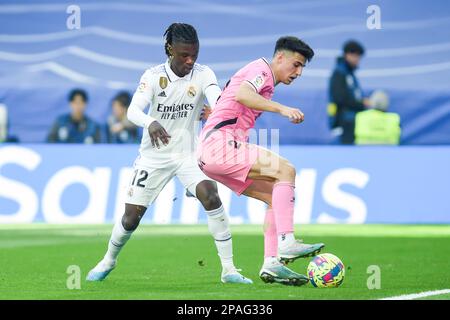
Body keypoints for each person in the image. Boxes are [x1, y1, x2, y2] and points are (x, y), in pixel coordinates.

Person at [87, 23, 252, 284]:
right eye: (184, 55)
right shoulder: (153, 77)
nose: (190, 61)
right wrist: (149, 122)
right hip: (154, 157)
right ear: (169, 49)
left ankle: (229, 270)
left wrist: (217, 110)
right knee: (131, 218)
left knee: (211, 196)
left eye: (195, 55)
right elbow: (133, 111)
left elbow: (217, 97)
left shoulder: (203, 73)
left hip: (189, 154)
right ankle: (109, 259)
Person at [197, 36, 325, 286]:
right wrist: (283, 109)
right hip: (220, 146)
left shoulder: (259, 75)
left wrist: (216, 113)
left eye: (302, 68)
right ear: (279, 58)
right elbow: (244, 94)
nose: (298, 72)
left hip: (208, 154)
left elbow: (232, 97)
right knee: (286, 170)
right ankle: (287, 242)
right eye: (296, 64)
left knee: (272, 197)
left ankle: (272, 263)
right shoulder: (261, 70)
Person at [328, 40, 371, 144]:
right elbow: (340, 98)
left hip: (351, 120)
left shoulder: (349, 73)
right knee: (345, 153)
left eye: (359, 57)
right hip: (343, 121)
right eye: (356, 56)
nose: (358, 60)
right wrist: (361, 103)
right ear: (348, 54)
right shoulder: (339, 73)